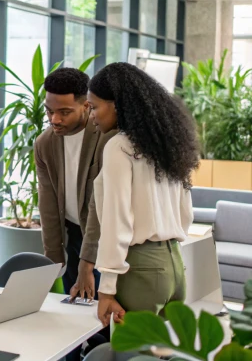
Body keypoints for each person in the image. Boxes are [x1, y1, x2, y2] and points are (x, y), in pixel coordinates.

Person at [87, 63, 197, 327]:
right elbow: (186, 215)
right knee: (161, 353)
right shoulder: (166, 145)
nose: (91, 115)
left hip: (139, 270)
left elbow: (117, 221)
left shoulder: (119, 147)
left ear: (116, 105)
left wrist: (107, 288)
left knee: (132, 356)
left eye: (94, 106)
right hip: (175, 267)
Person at [35, 68, 114, 361]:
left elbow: (100, 205)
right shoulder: (45, 144)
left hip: (108, 237)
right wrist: (53, 256)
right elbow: (48, 204)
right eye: (50, 111)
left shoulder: (106, 138)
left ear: (87, 105)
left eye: (65, 112)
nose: (55, 119)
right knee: (73, 316)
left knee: (104, 316)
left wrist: (87, 263)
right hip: (74, 234)